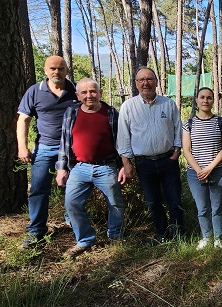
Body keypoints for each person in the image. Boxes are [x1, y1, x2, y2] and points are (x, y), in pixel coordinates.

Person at [55, 78, 126, 257]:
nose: (89, 96)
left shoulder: (111, 113)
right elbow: (64, 142)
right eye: (84, 93)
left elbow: (122, 141)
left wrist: (125, 165)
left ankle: (115, 236)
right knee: (71, 203)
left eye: (93, 91)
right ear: (78, 96)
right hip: (79, 168)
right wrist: (61, 168)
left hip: (107, 167)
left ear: (100, 93)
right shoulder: (71, 112)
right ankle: (85, 239)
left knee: (115, 204)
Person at [17, 55, 78, 247]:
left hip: (71, 148)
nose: (56, 72)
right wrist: (22, 147)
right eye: (52, 68)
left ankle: (73, 221)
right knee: (38, 189)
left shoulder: (75, 91)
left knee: (73, 187)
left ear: (66, 71)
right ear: (45, 70)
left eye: (60, 69)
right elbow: (23, 120)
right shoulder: (35, 91)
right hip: (44, 147)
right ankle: (36, 230)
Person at [116, 67, 184, 243]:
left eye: (149, 79)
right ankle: (162, 234)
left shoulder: (168, 104)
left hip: (168, 160)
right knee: (153, 202)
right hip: (144, 163)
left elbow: (178, 128)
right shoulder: (128, 107)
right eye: (141, 80)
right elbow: (123, 137)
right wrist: (127, 163)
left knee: (174, 200)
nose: (145, 83)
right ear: (136, 83)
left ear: (156, 81)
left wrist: (177, 151)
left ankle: (178, 235)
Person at [182, 87, 222, 250]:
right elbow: (186, 150)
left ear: (213, 101)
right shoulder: (188, 124)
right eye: (202, 97)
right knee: (202, 208)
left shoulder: (221, 122)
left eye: (209, 98)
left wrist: (209, 168)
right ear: (196, 100)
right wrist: (199, 171)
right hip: (195, 174)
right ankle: (206, 237)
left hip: (218, 171)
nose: (205, 101)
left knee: (217, 207)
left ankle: (218, 238)